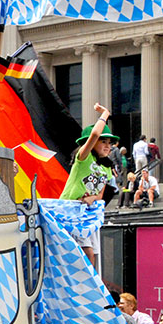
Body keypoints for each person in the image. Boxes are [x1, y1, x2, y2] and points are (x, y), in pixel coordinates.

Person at [60, 103, 116, 267]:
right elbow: (95, 133)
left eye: (109, 142)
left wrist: (93, 198)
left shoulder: (107, 168)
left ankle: (88, 287)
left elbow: (100, 194)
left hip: (89, 214)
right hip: (71, 209)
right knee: (87, 254)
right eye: (103, 141)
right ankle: (82, 288)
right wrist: (105, 114)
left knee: (94, 257)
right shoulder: (83, 159)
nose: (107, 145)